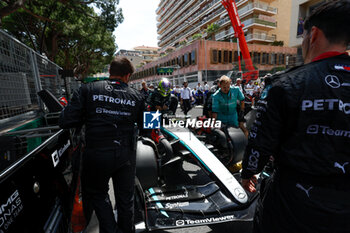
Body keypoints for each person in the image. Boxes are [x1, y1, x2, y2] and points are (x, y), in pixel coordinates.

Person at [241, 1, 350, 232]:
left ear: (314, 35)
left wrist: (249, 172)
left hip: (295, 203)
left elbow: (260, 139)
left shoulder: (285, 83)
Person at [59, 57, 144, 233]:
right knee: (125, 199)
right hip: (125, 155)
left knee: (97, 194)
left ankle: (110, 230)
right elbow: (149, 126)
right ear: (127, 76)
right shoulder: (138, 95)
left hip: (96, 153)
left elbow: (66, 120)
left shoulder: (87, 89)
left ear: (110, 72)